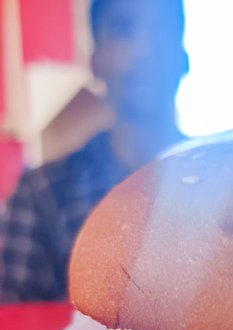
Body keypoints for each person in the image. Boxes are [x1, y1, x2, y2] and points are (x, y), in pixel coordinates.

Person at [0, 0, 189, 301]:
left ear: (184, 58)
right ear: (95, 61)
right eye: (123, 30)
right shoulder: (42, 197)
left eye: (162, 30)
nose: (145, 50)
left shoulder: (225, 193)